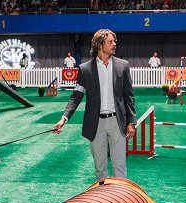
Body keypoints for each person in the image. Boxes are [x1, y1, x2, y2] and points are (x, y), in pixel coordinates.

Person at [53, 29, 136, 181]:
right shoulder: (85, 69)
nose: (114, 44)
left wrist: (131, 121)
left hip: (118, 122)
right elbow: (76, 95)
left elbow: (128, 96)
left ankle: (121, 200)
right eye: (110, 42)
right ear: (100, 45)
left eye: (114, 41)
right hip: (95, 124)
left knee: (120, 166)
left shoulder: (123, 66)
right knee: (100, 168)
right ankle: (103, 201)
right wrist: (63, 118)